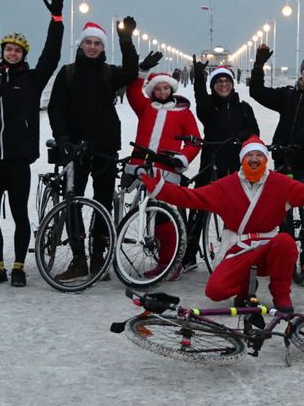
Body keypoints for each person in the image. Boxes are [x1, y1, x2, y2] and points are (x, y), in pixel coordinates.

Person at [138, 136, 304, 312]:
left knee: (285, 242)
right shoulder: (224, 187)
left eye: (259, 156)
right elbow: (190, 198)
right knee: (215, 291)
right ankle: (246, 287)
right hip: (239, 249)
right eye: (249, 156)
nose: (254, 159)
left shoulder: (280, 184)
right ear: (242, 159)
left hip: (269, 247)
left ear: (265, 160)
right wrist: (160, 189)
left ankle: (280, 293)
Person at [0, 0, 64, 288]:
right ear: (3, 53)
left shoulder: (32, 81)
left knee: (19, 214)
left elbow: (52, 55)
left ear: (24, 54)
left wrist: (57, 19)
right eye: (8, 49)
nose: (12, 53)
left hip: (17, 159)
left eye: (17, 50)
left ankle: (19, 267)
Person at [46, 18, 139, 280]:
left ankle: (98, 256)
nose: (92, 47)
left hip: (105, 147)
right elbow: (56, 108)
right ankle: (78, 259)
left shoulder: (109, 72)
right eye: (88, 42)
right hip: (75, 148)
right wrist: (62, 138)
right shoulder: (68, 73)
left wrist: (126, 40)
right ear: (81, 44)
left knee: (103, 202)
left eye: (97, 43)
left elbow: (132, 71)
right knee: (73, 201)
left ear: (102, 47)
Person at [125, 52, 202, 279]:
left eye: (165, 89)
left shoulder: (184, 113)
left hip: (167, 170)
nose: (161, 92)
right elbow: (132, 92)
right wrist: (142, 71)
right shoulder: (145, 107)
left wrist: (183, 158)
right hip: (140, 167)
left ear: (171, 90)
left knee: (164, 217)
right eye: (157, 89)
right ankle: (148, 249)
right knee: (139, 210)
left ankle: (170, 261)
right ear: (152, 92)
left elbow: (195, 141)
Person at [182, 61, 260, 272]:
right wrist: (199, 78)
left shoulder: (244, 108)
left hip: (236, 165)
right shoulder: (209, 108)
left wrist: (238, 137)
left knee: (237, 210)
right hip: (211, 162)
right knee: (199, 208)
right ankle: (188, 256)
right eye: (219, 81)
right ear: (213, 85)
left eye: (227, 81)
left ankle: (236, 253)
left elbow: (254, 131)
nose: (223, 84)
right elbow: (201, 103)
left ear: (233, 84)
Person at [248, 45, 304, 183]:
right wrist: (259, 66)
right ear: (302, 70)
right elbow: (256, 91)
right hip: (282, 161)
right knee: (280, 202)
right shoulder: (288, 95)